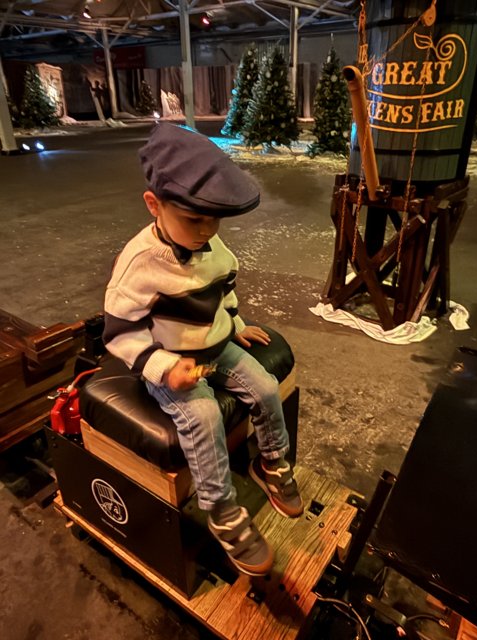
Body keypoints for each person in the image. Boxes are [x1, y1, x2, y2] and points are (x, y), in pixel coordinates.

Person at [103, 122, 303, 577]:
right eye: (194, 219)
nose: (207, 230)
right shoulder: (139, 263)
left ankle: (270, 463)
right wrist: (165, 368)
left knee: (267, 387)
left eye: (214, 219)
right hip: (174, 364)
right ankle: (222, 512)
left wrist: (235, 325)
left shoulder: (210, 243)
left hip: (217, 347)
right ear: (154, 204)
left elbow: (225, 287)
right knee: (205, 416)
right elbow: (120, 332)